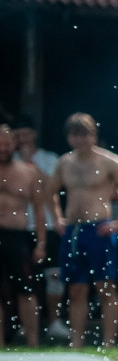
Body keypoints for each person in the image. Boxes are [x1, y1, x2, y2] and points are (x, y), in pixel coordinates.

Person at [51, 115, 118, 350]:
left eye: (85, 134)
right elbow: (48, 192)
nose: (80, 139)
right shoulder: (64, 163)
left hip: (99, 229)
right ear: (69, 137)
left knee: (104, 286)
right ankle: (76, 342)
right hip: (73, 230)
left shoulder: (109, 161)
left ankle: (108, 342)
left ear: (93, 136)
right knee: (76, 288)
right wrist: (56, 218)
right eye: (75, 134)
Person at [1, 118, 55, 347]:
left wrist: (41, 244)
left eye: (6, 144)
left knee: (26, 291)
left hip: (18, 236)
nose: (3, 148)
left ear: (14, 144)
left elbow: (40, 210)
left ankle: (33, 342)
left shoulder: (29, 172)